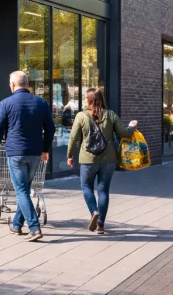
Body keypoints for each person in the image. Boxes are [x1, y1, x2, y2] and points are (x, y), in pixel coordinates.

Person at [0, 71, 55, 242]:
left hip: (16, 153)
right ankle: (16, 225)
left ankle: (34, 228)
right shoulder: (41, 103)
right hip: (35, 153)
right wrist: (45, 149)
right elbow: (51, 128)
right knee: (25, 190)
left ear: (12, 85)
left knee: (21, 191)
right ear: (28, 84)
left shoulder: (6, 103)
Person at [67, 88, 137, 235]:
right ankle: (100, 225)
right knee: (103, 190)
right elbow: (123, 133)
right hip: (108, 158)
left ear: (89, 100)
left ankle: (94, 211)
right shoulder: (111, 114)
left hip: (88, 159)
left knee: (86, 186)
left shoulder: (81, 116)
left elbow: (73, 138)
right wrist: (131, 126)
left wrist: (69, 156)